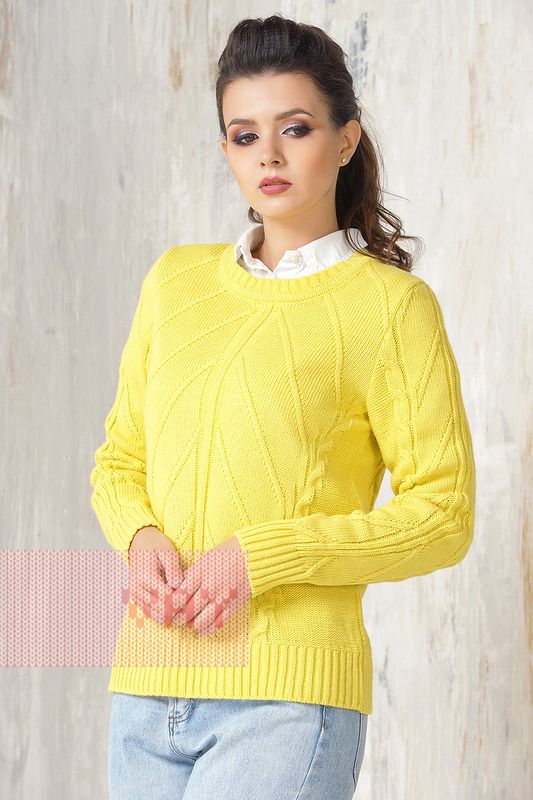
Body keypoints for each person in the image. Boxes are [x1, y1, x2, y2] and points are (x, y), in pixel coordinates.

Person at [90, 14, 476, 800]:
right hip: (144, 688)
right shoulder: (174, 282)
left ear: (345, 140)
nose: (267, 154)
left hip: (286, 701)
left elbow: (443, 515)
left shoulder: (392, 309)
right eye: (244, 135)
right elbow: (119, 458)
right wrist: (138, 536)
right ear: (226, 150)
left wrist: (263, 556)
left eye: (294, 128)